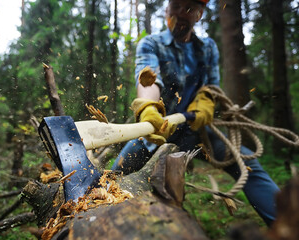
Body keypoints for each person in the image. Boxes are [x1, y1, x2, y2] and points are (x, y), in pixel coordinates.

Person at [111, 0, 279, 226]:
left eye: (189, 8)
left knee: (248, 168)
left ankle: (288, 223)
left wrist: (205, 103)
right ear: (167, 10)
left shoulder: (207, 48)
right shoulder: (151, 44)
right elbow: (149, 79)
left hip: (199, 134)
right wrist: (148, 108)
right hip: (158, 132)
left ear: (199, 14)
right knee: (115, 175)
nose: (181, 12)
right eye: (176, 5)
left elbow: (210, 87)